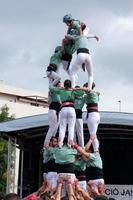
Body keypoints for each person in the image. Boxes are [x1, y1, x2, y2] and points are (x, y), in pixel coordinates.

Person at [49, 79, 77, 147]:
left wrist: (60, 87)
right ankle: (70, 145)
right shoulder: (73, 91)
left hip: (63, 109)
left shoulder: (61, 90)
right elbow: (83, 92)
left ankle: (60, 144)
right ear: (70, 85)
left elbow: (50, 87)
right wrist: (73, 89)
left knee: (62, 127)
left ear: (64, 85)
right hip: (71, 109)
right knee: (71, 128)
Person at [43, 81, 61, 148]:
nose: (61, 86)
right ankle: (46, 143)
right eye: (59, 84)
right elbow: (49, 101)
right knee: (52, 127)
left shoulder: (60, 92)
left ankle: (51, 142)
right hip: (53, 109)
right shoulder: (52, 90)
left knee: (56, 127)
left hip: (58, 109)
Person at [84, 82, 100, 153]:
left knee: (92, 135)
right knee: (94, 135)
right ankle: (96, 150)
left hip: (92, 115)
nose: (83, 89)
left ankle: (96, 151)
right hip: (95, 115)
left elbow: (88, 91)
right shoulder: (95, 94)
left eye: (84, 87)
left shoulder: (90, 93)